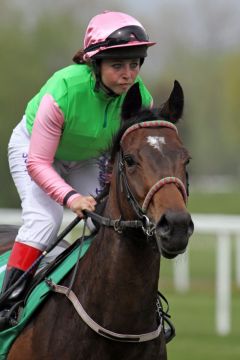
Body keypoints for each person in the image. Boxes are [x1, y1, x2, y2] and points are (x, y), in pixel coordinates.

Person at [0, 10, 155, 329]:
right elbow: (38, 163)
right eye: (118, 65)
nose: (129, 74)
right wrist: (71, 198)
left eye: (135, 63)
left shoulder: (139, 97)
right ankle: (9, 301)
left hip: (86, 159)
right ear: (94, 63)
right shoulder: (64, 91)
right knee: (46, 219)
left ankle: (132, 308)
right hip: (35, 151)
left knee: (113, 222)